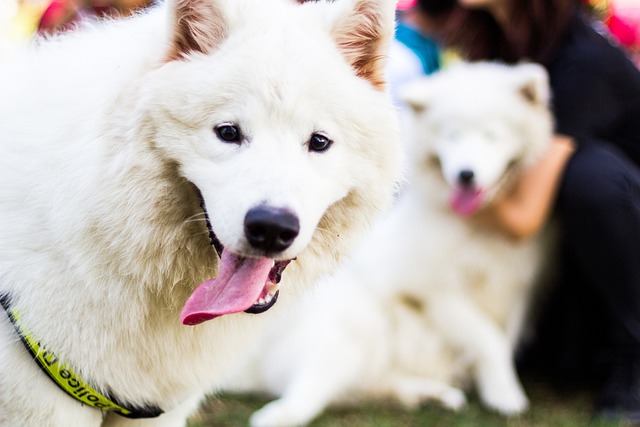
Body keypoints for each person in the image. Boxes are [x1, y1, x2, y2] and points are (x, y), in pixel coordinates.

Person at [420, 0, 640, 422]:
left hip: (623, 231)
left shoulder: (584, 62)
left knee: (589, 176)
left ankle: (634, 351)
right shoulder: (505, 43)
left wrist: (438, 187)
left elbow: (523, 219)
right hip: (574, 260)